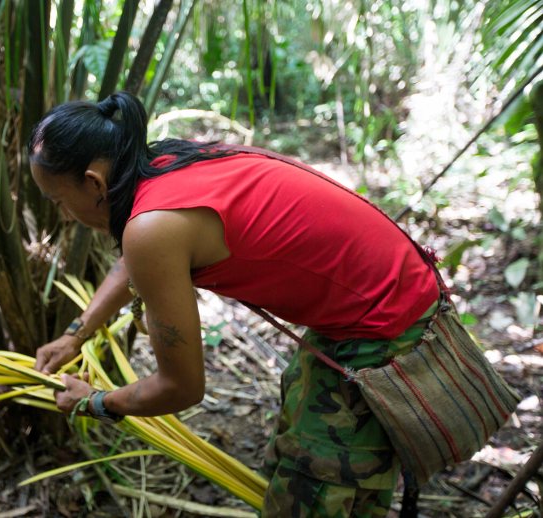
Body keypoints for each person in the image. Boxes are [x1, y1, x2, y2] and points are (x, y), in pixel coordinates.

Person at [28, 91, 440, 518]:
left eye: (58, 201)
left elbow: (181, 388)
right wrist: (77, 334)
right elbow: (133, 260)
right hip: (377, 301)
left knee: (318, 494)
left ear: (94, 183)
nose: (62, 215)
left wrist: (94, 401)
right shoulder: (168, 162)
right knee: (301, 462)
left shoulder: (152, 228)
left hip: (385, 328)